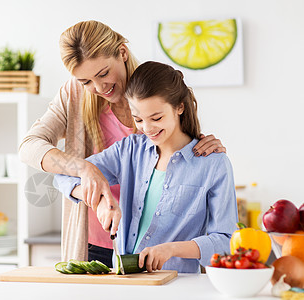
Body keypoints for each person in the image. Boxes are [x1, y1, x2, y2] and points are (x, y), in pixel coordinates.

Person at [19, 20, 226, 267]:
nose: (98, 87)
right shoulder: (75, 96)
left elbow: (181, 148)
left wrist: (202, 145)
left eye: (103, 73)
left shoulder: (155, 90)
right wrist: (88, 173)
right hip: (94, 239)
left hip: (160, 251)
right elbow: (30, 147)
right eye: (85, 82)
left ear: (122, 53)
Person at [53, 61, 238, 273]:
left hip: (178, 285)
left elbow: (226, 242)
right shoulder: (129, 150)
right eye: (138, 119)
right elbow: (63, 174)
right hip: (125, 283)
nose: (147, 129)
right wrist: (100, 200)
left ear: (180, 107)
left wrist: (171, 249)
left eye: (156, 118)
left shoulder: (213, 164)